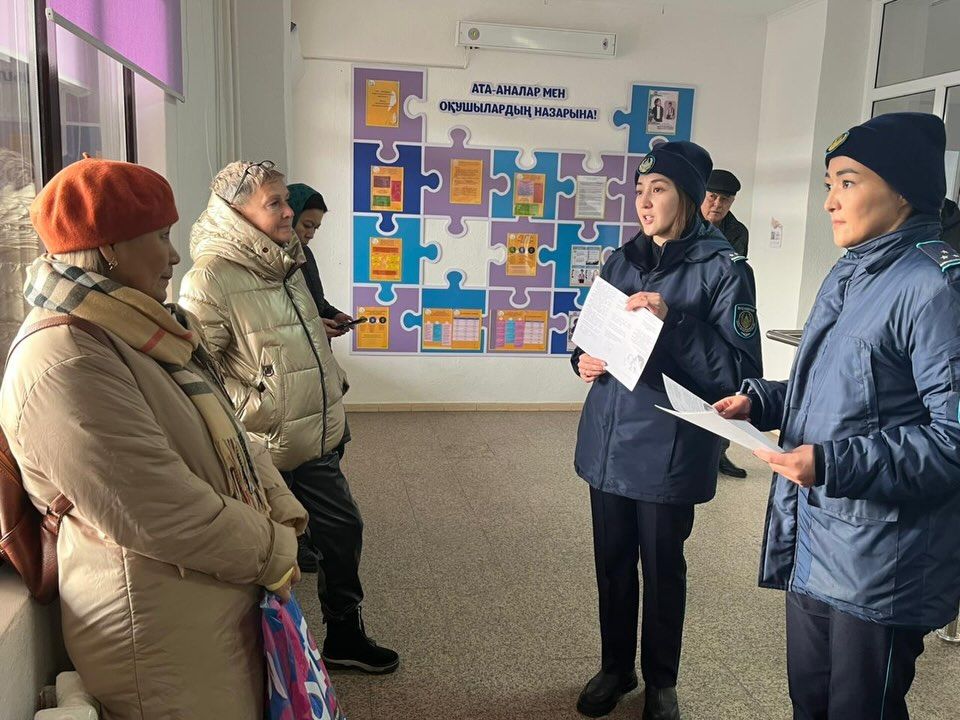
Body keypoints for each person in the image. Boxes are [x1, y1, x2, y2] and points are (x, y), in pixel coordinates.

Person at [0, 158, 307, 719]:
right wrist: (273, 551)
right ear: (109, 247)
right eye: (161, 236)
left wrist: (280, 511)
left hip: (208, 591)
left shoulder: (144, 327)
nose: (174, 256)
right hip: (156, 631)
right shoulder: (63, 358)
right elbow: (154, 509)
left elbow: (229, 434)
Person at [716, 112, 960, 720]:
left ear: (903, 190)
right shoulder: (852, 271)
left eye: (847, 183)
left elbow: (952, 441)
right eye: (829, 184)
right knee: (812, 701)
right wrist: (763, 400)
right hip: (818, 537)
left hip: (880, 560)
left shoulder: (934, 287)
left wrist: (830, 463)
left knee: (859, 709)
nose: (829, 202)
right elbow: (842, 388)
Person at [179, 160, 399, 674]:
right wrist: (262, 403)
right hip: (263, 445)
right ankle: (263, 659)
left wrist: (327, 373)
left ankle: (344, 634)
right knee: (267, 553)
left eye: (285, 200)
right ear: (237, 211)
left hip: (314, 435)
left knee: (342, 530)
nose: (286, 211)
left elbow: (297, 336)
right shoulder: (209, 277)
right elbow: (198, 374)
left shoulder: (287, 261)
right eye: (273, 202)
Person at [572, 141, 762, 720]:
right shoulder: (619, 260)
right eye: (639, 191)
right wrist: (581, 359)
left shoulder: (726, 270)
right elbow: (593, 335)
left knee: (661, 569)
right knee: (611, 563)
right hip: (608, 440)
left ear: (689, 196)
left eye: (658, 190)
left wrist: (671, 321)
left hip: (670, 448)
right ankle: (615, 668)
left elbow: (738, 374)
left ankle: (661, 681)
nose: (644, 202)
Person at [700, 169, 751, 479]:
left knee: (724, 386)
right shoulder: (685, 223)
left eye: (726, 200)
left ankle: (719, 453)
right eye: (713, 197)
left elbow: (736, 275)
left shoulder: (737, 231)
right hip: (690, 315)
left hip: (723, 318)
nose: (718, 204)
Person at [287, 183, 355, 339]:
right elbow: (275, 317)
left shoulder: (306, 253)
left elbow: (313, 299)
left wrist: (334, 314)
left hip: (317, 347)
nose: (311, 234)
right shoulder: (271, 260)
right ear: (289, 217)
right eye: (307, 225)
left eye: (315, 228)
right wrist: (314, 327)